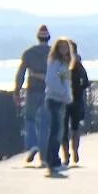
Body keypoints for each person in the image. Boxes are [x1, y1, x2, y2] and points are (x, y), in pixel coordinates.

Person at [13, 24, 51, 165]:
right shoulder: (53, 53)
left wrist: (17, 91)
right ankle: (43, 156)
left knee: (30, 118)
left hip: (32, 91)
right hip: (48, 92)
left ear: (37, 37)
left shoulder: (29, 53)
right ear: (48, 38)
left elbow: (21, 74)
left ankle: (33, 144)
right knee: (45, 122)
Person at [43, 37, 75, 177]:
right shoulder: (55, 62)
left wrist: (68, 96)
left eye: (66, 47)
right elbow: (51, 81)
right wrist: (63, 93)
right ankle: (52, 161)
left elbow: (66, 82)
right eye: (61, 47)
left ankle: (55, 160)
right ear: (57, 49)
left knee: (59, 131)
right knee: (55, 131)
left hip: (61, 100)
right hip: (54, 99)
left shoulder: (64, 63)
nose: (64, 49)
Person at [62, 40, 90, 166]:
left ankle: (66, 154)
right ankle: (74, 151)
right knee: (75, 127)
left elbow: (59, 78)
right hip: (77, 98)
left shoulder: (62, 63)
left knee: (64, 128)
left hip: (64, 98)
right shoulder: (78, 64)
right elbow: (85, 81)